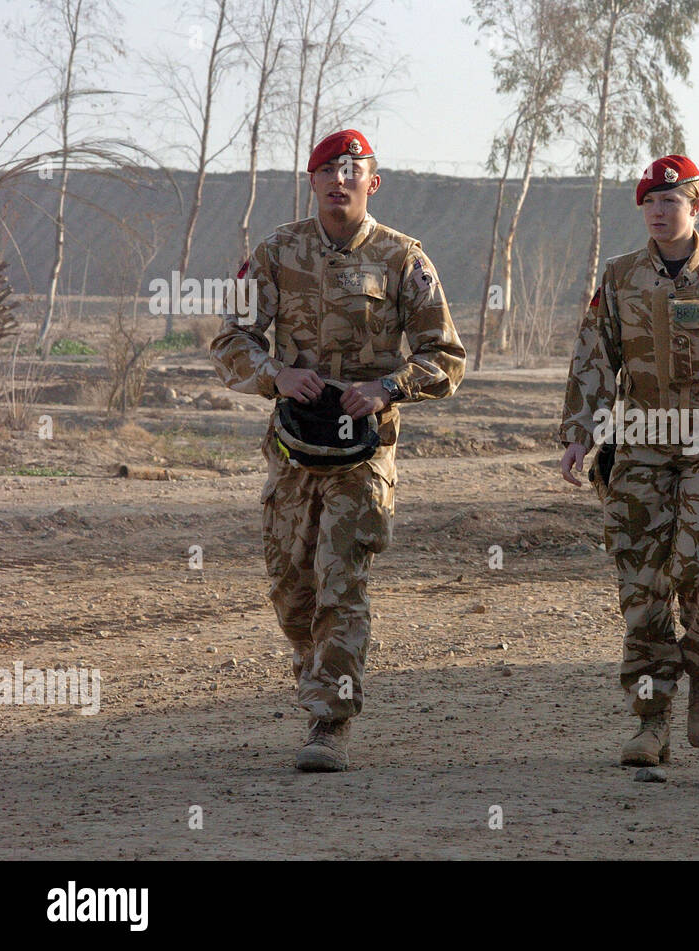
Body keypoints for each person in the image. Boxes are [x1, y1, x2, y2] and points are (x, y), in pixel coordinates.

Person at [210, 129, 466, 771]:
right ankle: (314, 669)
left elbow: (447, 359)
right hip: (294, 450)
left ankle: (330, 721)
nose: (339, 181)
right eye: (328, 171)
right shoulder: (275, 253)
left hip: (363, 455)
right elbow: (230, 340)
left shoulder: (405, 259)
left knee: (340, 582)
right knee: (292, 589)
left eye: (352, 171)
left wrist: (387, 387)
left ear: (371, 183)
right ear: (313, 181)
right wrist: (277, 376)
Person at [559, 155, 699, 767]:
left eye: (671, 201)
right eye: (650, 202)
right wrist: (580, 433)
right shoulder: (622, 277)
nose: (658, 212)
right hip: (640, 446)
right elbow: (594, 361)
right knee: (642, 584)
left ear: (695, 205)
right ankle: (651, 720)